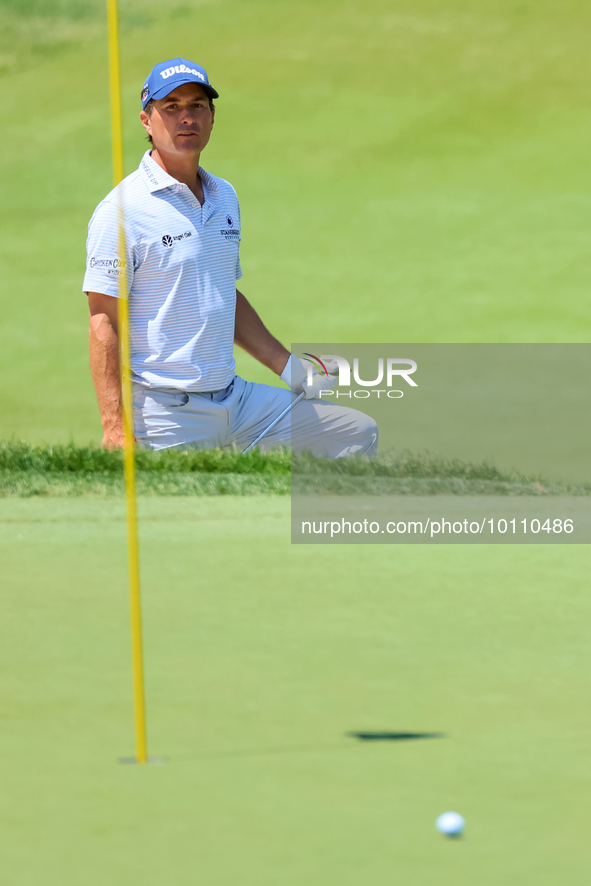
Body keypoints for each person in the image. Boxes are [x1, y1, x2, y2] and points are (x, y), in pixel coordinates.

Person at [84, 58, 378, 457]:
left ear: (212, 116)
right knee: (180, 515)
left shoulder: (224, 195)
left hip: (235, 401)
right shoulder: (121, 209)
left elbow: (222, 293)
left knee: (354, 431)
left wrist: (288, 367)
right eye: (171, 107)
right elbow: (103, 318)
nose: (186, 117)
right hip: (167, 412)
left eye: (197, 106)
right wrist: (115, 427)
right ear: (146, 120)